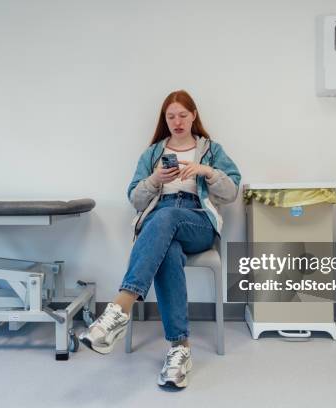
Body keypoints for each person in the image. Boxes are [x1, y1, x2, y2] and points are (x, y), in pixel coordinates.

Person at [79, 90, 241, 390]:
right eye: (171, 116)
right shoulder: (152, 153)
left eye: (183, 115)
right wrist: (155, 180)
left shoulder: (211, 150)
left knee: (165, 219)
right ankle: (180, 350)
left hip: (197, 222)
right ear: (164, 120)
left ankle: (119, 309)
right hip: (160, 220)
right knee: (166, 248)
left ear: (193, 115)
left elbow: (231, 192)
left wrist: (206, 171)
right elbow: (135, 199)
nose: (177, 121)